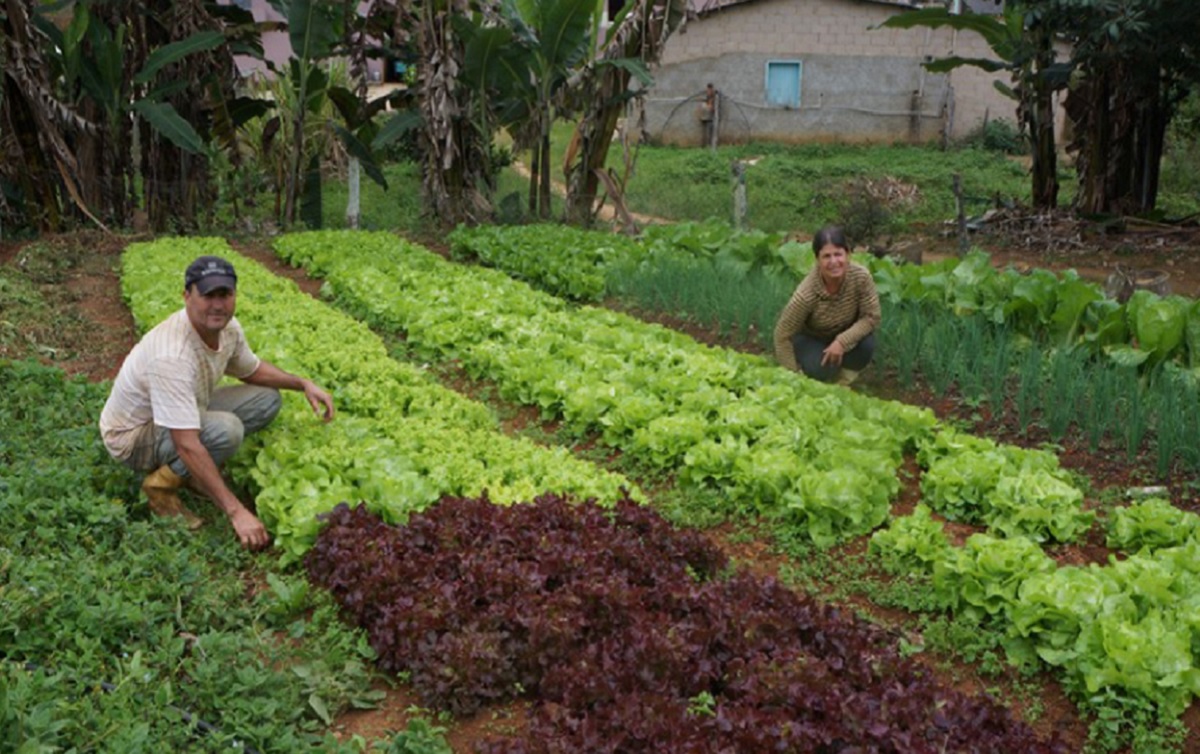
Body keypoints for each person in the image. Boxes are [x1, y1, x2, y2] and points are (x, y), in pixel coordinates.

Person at [100, 255, 335, 550]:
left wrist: (302, 384)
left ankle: (195, 473)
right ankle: (159, 486)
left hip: (183, 410)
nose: (217, 304)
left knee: (267, 400)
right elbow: (185, 441)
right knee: (226, 430)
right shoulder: (171, 355)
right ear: (187, 296)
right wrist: (237, 512)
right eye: (207, 294)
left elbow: (252, 370)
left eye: (225, 294)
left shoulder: (228, 328)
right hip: (133, 437)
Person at [773, 225, 880, 386]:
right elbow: (782, 335)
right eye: (826, 256)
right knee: (821, 369)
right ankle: (817, 373)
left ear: (848, 254)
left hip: (843, 333)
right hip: (811, 337)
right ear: (817, 259)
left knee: (867, 345)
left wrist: (841, 342)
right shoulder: (806, 294)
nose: (833, 262)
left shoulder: (861, 278)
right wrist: (792, 376)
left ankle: (843, 381)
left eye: (838, 254)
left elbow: (872, 317)